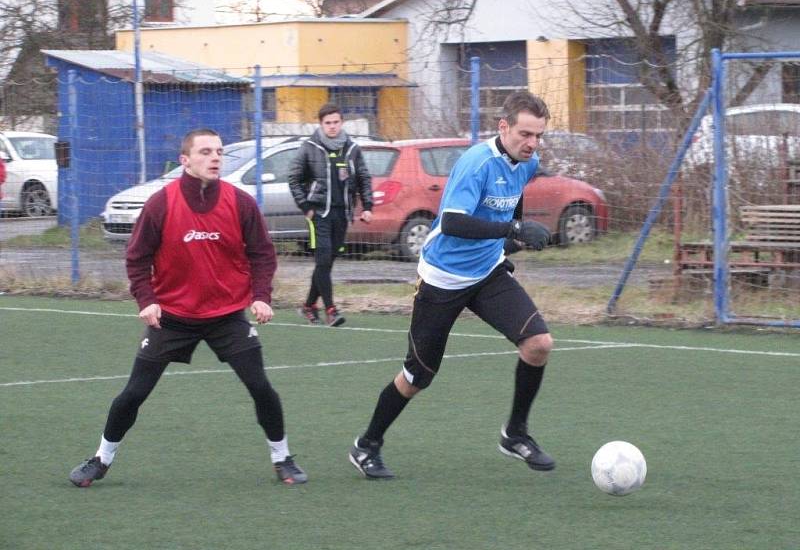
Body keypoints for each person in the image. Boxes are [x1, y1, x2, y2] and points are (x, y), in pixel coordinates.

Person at [69, 128, 307, 487]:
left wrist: (261, 296)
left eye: (219, 152)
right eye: (206, 152)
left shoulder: (240, 202)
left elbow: (262, 254)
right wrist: (146, 301)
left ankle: (283, 459)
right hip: (173, 319)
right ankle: (101, 459)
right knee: (133, 393)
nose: (215, 158)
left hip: (226, 317)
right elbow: (137, 258)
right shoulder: (161, 203)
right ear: (185, 160)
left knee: (261, 387)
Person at [348, 91, 555, 479]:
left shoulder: (528, 162)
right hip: (442, 279)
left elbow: (513, 202)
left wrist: (513, 238)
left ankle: (515, 433)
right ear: (503, 127)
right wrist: (512, 228)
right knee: (417, 377)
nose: (532, 143)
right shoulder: (475, 164)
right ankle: (367, 445)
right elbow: (455, 222)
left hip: (487, 272)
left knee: (538, 344)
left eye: (539, 135)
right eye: (525, 134)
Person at [288, 103, 373, 327]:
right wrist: (305, 206)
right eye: (328, 123)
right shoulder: (309, 147)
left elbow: (364, 178)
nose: (332, 127)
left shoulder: (352, 148)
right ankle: (331, 310)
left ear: (341, 122)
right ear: (321, 124)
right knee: (323, 260)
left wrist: (367, 206)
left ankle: (308, 306)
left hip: (342, 214)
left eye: (336, 122)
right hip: (319, 214)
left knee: (326, 264)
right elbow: (294, 179)